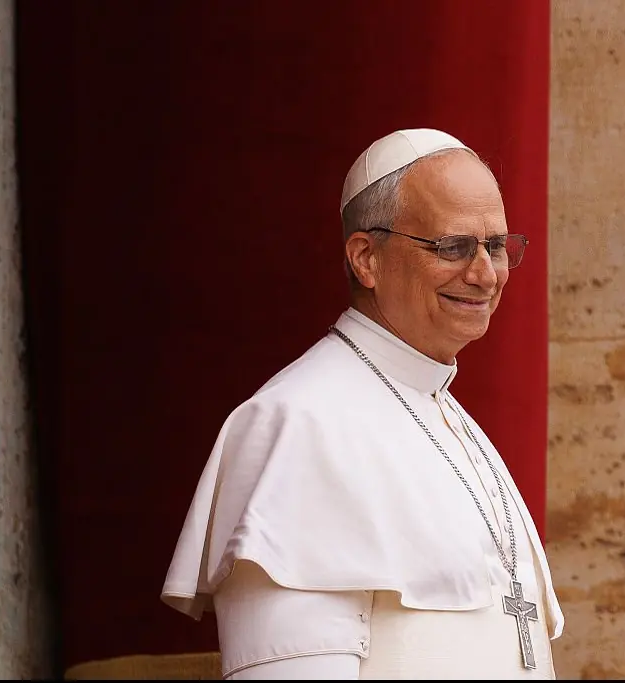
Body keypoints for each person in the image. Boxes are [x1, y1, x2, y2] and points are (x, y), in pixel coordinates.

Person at [161, 128, 564, 680]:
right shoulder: (298, 424)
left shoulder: (449, 418)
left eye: (496, 246)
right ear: (366, 258)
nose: (484, 273)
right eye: (453, 247)